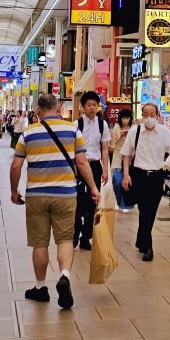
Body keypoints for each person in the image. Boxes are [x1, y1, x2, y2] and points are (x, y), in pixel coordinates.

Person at [12, 93, 99, 309]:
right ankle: (65, 276)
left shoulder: (28, 132)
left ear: (38, 111)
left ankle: (41, 288)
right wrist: (94, 188)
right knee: (64, 240)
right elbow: (82, 162)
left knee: (39, 243)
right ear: (58, 108)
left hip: (37, 195)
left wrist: (14, 191)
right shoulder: (72, 129)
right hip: (66, 194)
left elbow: (15, 166)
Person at [120, 103, 170, 261]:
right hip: (138, 176)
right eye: (145, 114)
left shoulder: (164, 132)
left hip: (156, 176)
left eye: (152, 114)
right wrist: (126, 175)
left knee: (150, 211)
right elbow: (126, 154)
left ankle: (145, 243)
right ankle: (146, 244)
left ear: (158, 116)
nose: (148, 118)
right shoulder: (135, 131)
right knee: (144, 210)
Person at [73, 91, 111, 250]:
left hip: (95, 165)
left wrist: (105, 169)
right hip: (79, 166)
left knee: (92, 201)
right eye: (88, 105)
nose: (92, 108)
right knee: (76, 201)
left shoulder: (103, 125)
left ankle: (85, 237)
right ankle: (74, 234)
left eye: (94, 105)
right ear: (82, 107)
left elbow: (104, 148)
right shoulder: (76, 124)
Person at [108, 108, 133, 213]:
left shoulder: (134, 128)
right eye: (123, 118)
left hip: (130, 159)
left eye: (127, 117)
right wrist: (120, 137)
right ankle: (118, 201)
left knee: (127, 182)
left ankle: (125, 204)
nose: (125, 120)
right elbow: (112, 146)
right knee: (118, 181)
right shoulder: (116, 129)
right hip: (118, 158)